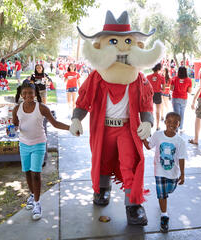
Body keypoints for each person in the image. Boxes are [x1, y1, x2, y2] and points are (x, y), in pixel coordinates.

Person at [70, 10, 164, 225]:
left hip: (126, 129)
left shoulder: (139, 80)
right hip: (102, 128)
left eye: (127, 41)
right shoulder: (96, 77)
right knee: (102, 159)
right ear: (100, 46)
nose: (122, 47)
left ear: (137, 46)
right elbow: (84, 100)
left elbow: (145, 104)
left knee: (130, 163)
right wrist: (77, 119)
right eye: (113, 41)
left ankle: (133, 205)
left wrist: (148, 122)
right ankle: (103, 190)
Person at [12, 81, 70, 220]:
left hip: (38, 144)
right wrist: (14, 128)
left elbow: (55, 123)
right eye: (24, 93)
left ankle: (37, 203)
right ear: (21, 94)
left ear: (35, 93)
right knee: (27, 172)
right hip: (23, 144)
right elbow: (15, 123)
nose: (27, 96)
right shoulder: (17, 109)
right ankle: (32, 195)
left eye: (30, 93)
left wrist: (71, 128)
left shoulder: (42, 108)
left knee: (36, 174)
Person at [143, 112, 186, 233]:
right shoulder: (158, 135)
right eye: (169, 121)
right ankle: (164, 215)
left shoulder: (180, 141)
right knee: (161, 194)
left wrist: (182, 174)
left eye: (175, 122)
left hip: (173, 173)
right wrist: (142, 137)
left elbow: (182, 158)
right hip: (159, 171)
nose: (172, 124)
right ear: (165, 122)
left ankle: (165, 196)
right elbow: (149, 146)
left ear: (179, 124)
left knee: (169, 189)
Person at [171, 66, 192, 132]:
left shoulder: (174, 79)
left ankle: (175, 128)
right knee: (182, 113)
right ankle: (181, 127)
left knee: (176, 114)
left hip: (175, 97)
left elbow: (171, 88)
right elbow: (189, 91)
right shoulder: (189, 80)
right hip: (184, 98)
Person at [147, 63, 165, 130]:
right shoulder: (161, 77)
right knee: (158, 111)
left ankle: (149, 126)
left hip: (150, 95)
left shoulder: (148, 77)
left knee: (150, 111)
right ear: (159, 68)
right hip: (157, 94)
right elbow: (163, 89)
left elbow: (146, 87)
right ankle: (157, 126)